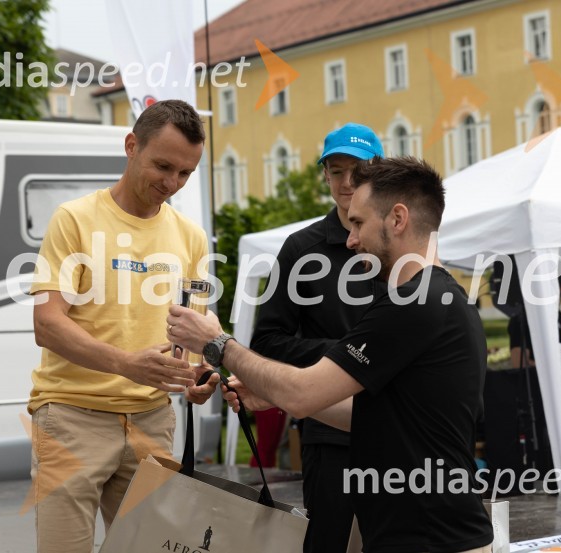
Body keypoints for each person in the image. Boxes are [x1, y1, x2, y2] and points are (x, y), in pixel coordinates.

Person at [168, 157, 494, 553]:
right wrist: (273, 395)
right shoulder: (439, 297)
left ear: (398, 218)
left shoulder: (415, 303)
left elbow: (303, 393)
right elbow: (376, 415)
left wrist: (218, 344)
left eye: (358, 223)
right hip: (428, 534)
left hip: (431, 538)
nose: (351, 239)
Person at [29, 100, 219, 553]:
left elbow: (193, 331)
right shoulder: (74, 219)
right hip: (72, 415)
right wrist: (125, 364)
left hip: (153, 422)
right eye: (163, 166)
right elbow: (47, 323)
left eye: (185, 174)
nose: (172, 183)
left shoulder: (190, 236)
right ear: (131, 145)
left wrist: (198, 375)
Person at [249, 122, 384, 551]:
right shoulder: (300, 249)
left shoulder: (398, 243)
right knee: (328, 542)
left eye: (358, 171)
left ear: (378, 173)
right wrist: (346, 355)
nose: (347, 183)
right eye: (337, 171)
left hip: (398, 429)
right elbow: (267, 341)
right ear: (324, 175)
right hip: (329, 433)